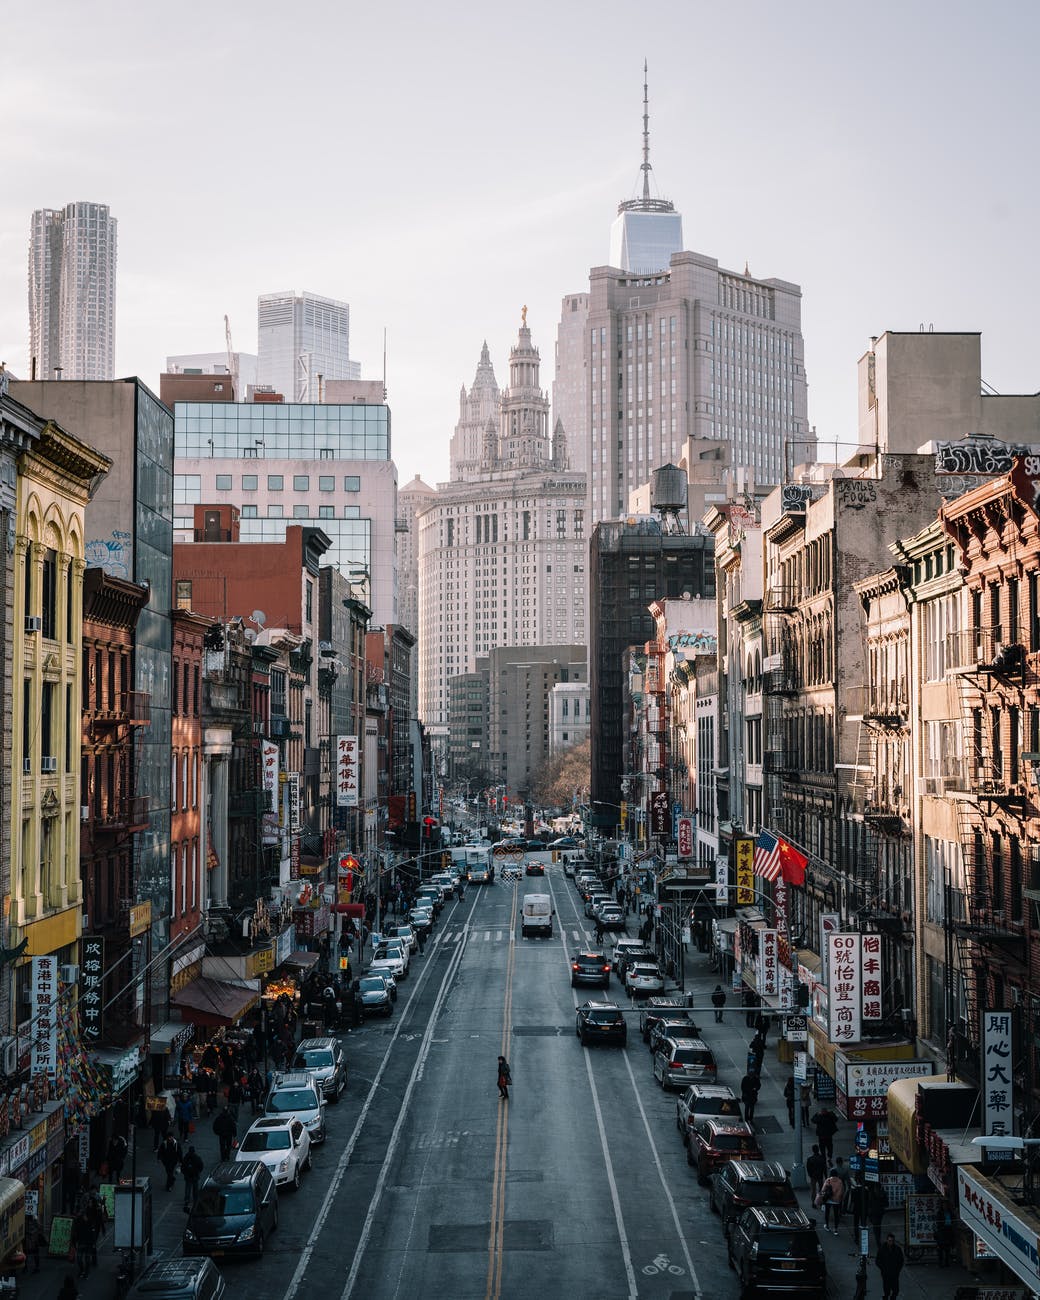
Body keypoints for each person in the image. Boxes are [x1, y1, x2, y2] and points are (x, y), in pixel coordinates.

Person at [876, 1232, 905, 1300]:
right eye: (889, 1241)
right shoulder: (882, 1249)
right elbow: (878, 1260)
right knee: (886, 1289)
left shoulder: (897, 1249)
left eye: (892, 1241)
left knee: (895, 1290)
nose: (891, 1242)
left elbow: (901, 1261)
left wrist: (898, 1270)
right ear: (887, 1240)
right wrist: (883, 1268)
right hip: (885, 1273)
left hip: (894, 1273)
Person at [817, 1167, 846, 1235]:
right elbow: (841, 1191)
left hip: (828, 1199)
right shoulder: (840, 1181)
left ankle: (827, 1226)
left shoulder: (828, 1180)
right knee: (836, 1215)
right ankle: (835, 1229)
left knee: (827, 1213)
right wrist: (839, 1198)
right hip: (836, 1200)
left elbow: (823, 1190)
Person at [72, 1209, 97, 1279]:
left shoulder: (90, 1222)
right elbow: (76, 1232)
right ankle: (82, 1270)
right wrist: (74, 1242)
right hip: (82, 1242)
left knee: (87, 1259)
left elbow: (93, 1233)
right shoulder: (79, 1222)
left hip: (88, 1243)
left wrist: (93, 1242)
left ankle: (85, 1272)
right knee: (79, 1259)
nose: (85, 1217)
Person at [181, 1144, 204, 1212]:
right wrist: (198, 1172)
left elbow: (183, 1167)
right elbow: (201, 1166)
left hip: (188, 1176)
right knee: (195, 1188)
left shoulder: (186, 1157)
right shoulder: (197, 1158)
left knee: (188, 1188)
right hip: (195, 1176)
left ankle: (187, 1200)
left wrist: (185, 1173)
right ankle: (195, 1199)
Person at [868, 1181, 889, 1246]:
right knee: (878, 1226)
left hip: (874, 1212)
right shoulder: (883, 1193)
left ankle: (878, 1240)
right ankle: (878, 1239)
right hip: (880, 1212)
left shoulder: (872, 1193)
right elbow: (886, 1204)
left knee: (876, 1227)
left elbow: (869, 1203)